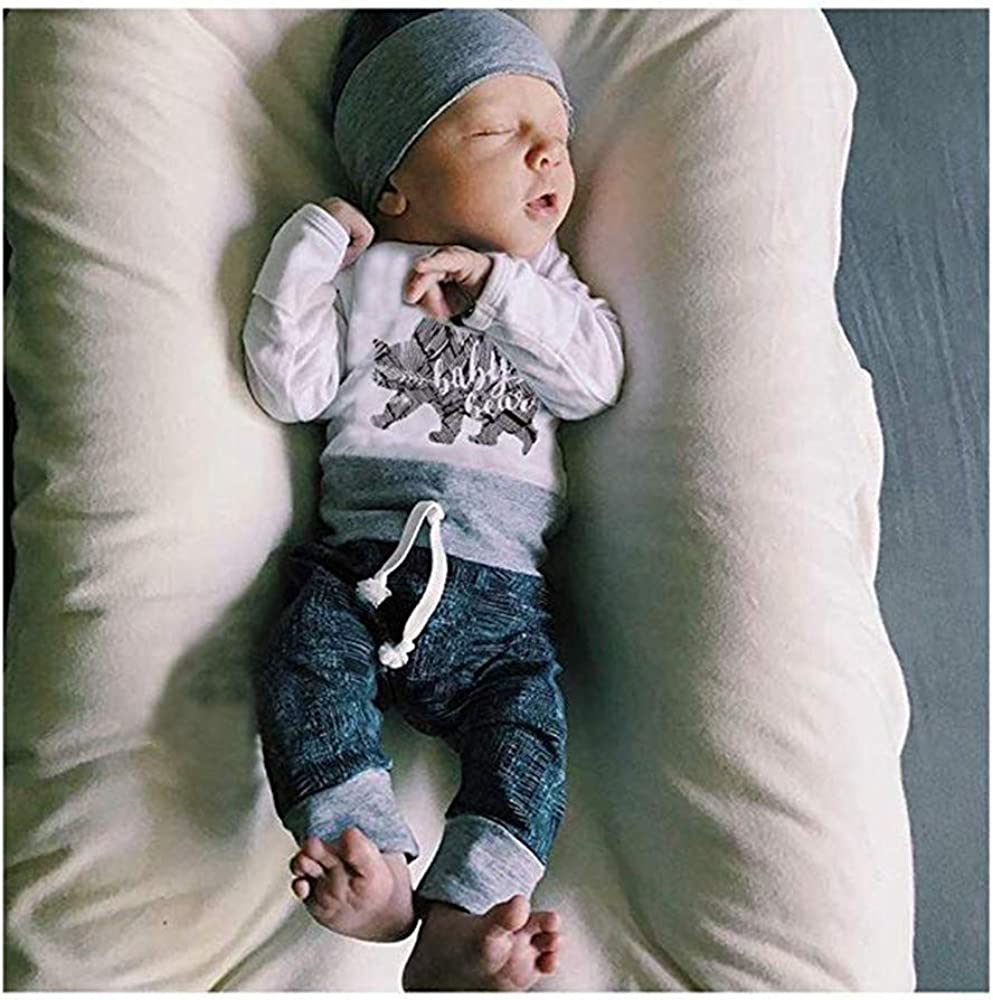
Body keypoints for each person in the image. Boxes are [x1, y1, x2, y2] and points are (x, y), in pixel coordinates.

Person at [241, 9, 625, 991]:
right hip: (363, 566)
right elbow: (290, 389)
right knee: (302, 660)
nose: (547, 154)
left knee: (528, 737)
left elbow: (593, 381)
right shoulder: (365, 277)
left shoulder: (544, 288)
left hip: (501, 596)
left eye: (557, 137)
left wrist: (496, 289)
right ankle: (363, 855)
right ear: (396, 183)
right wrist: (306, 254)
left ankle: (462, 918)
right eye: (498, 132)